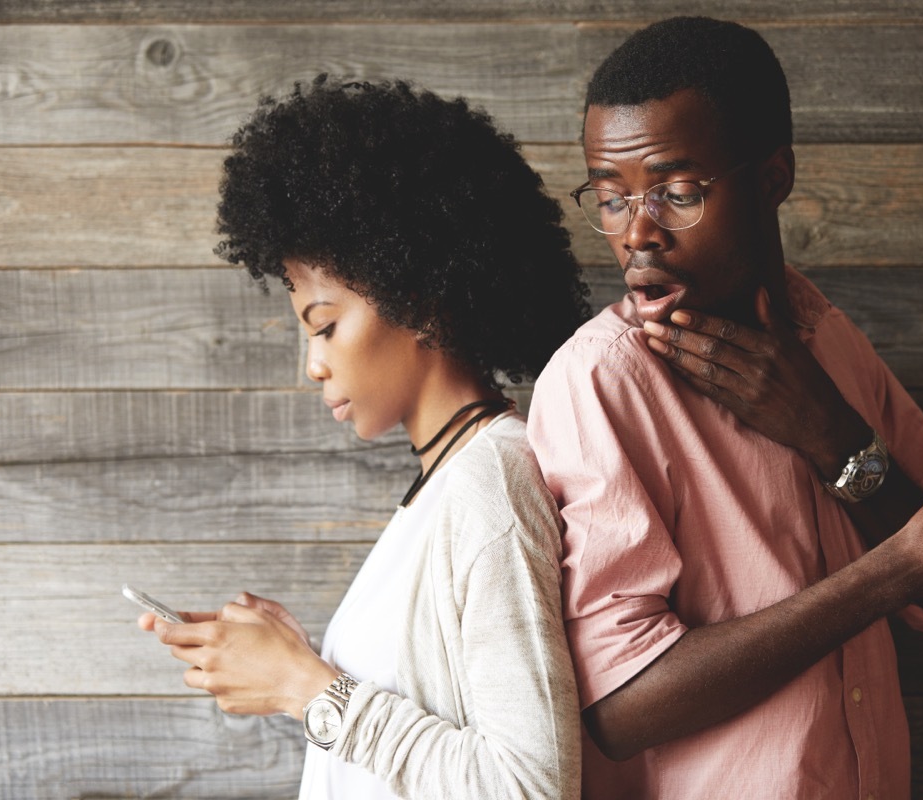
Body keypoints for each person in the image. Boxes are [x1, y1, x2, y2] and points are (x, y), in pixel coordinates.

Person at [525, 16, 923, 799]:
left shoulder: (838, 348)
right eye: (610, 200)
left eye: (677, 193)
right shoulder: (601, 386)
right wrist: (894, 572)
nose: (636, 234)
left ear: (773, 178)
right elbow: (619, 702)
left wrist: (834, 435)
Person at [138, 76, 588, 799]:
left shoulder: (490, 484)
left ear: (423, 298)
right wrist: (292, 660)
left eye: (323, 325)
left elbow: (529, 786)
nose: (312, 363)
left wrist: (305, 687)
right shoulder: (443, 486)